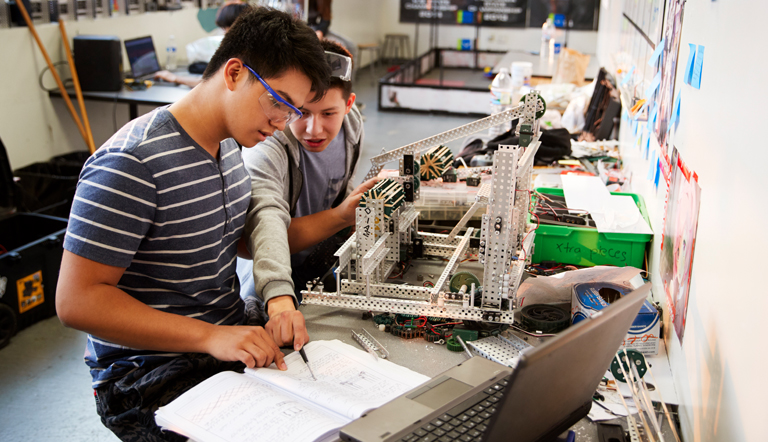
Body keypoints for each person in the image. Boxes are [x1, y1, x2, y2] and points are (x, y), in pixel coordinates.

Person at [55, 7, 330, 441]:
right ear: (235, 72)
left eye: (291, 110)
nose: (282, 125)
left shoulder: (228, 145)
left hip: (223, 333)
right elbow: (76, 302)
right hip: (147, 370)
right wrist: (210, 337)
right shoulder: (133, 163)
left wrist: (278, 297)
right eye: (278, 102)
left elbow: (232, 242)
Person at [239, 39, 376, 314]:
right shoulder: (266, 148)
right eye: (301, 112)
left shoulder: (351, 125)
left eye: (328, 113)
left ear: (349, 104)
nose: (315, 129)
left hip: (320, 266)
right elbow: (260, 235)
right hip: (268, 283)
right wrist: (341, 217)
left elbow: (340, 185)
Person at [154, 1, 249, 87]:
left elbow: (208, 83)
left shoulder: (241, 56)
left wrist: (175, 78)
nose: (224, 33)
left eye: (225, 28)